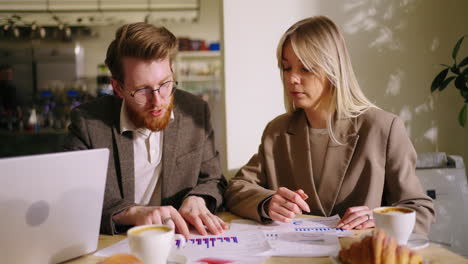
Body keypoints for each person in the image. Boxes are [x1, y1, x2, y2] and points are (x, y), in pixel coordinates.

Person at [224, 16, 435, 234]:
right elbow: (236, 188)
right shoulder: (277, 131)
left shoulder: (383, 128)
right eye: (286, 68)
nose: (292, 79)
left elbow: (421, 210)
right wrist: (267, 202)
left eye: (305, 68)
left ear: (333, 69)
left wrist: (378, 217)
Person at [64, 23, 227, 238]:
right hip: (118, 244)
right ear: (118, 88)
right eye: (142, 90)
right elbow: (75, 197)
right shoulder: (87, 123)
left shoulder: (195, 111)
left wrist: (198, 198)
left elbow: (214, 180)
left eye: (165, 83)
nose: (158, 101)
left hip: (183, 242)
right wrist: (131, 213)